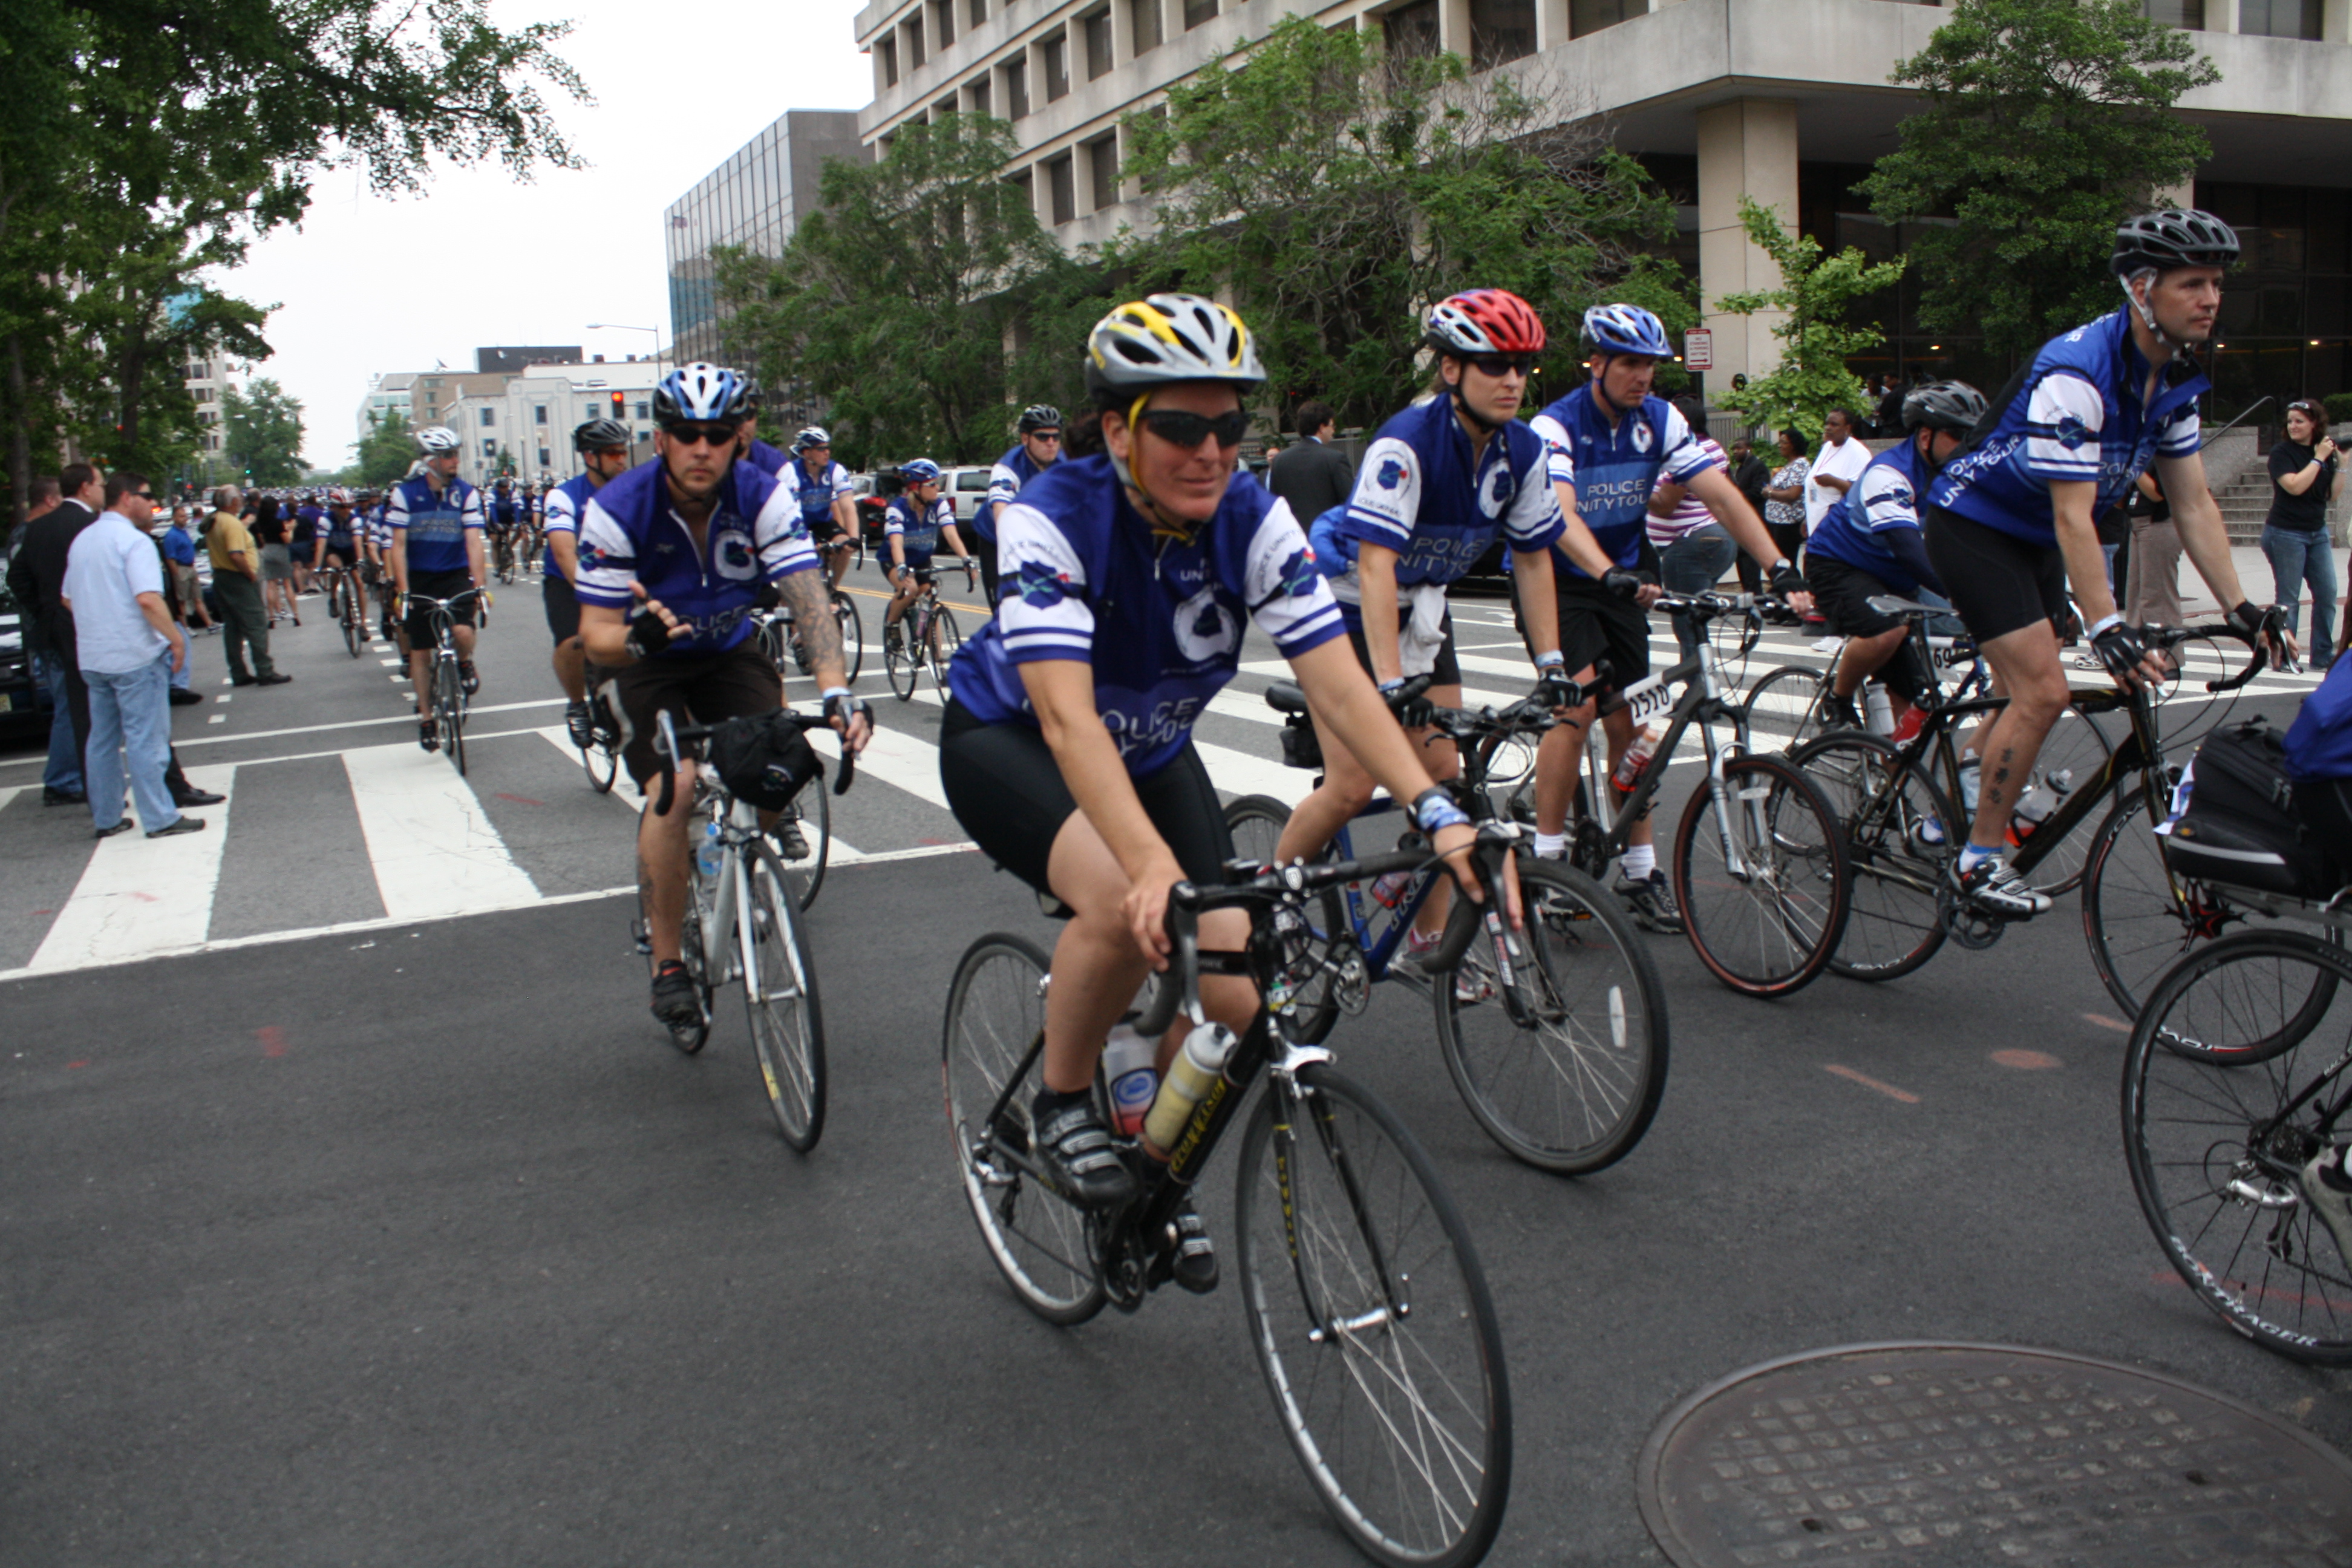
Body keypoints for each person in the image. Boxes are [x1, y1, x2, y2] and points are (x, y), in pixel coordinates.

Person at [937, 294, 1491, 1278]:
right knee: (1121, 902)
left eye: (1228, 427)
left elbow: (1338, 681)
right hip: (1010, 742)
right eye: (1180, 427)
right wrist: (1148, 865)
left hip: (1149, 752)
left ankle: (1152, 1169)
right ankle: (1062, 1097)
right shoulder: (1048, 518)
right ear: (1117, 429)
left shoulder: (1249, 512)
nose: (1209, 451)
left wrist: (1437, 808)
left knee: (1239, 990)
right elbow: (1066, 722)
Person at [1923, 207, 2290, 918]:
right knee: (2043, 691)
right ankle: (1976, 861)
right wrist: (2108, 625)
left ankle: (1950, 814)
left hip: (2035, 534)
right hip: (1976, 524)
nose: (2211, 299)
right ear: (2142, 289)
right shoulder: (2079, 370)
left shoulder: (2176, 379)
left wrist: (2245, 608)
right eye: (2193, 284)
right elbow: (2073, 514)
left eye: (2216, 284)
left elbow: (2193, 505)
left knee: (2022, 689)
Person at [1275, 288, 1567, 984]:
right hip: (1348, 605)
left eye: (1522, 367)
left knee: (1449, 784)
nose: (1512, 380)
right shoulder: (1404, 443)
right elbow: (1375, 567)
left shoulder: (1522, 450)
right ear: (1449, 370)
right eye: (1494, 364)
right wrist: (1386, 684)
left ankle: (1429, 941)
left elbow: (1532, 558)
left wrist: (1553, 662)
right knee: (1350, 785)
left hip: (1426, 607)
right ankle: (1276, 891)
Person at [573, 363, 871, 1028]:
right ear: (662, 440)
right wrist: (639, 636)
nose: (701, 447)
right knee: (675, 788)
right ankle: (669, 962)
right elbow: (593, 636)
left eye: (716, 433)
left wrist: (834, 689)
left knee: (777, 765)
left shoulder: (763, 496)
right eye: (685, 433)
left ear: (737, 439)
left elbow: (807, 599)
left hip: (727, 649)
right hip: (645, 659)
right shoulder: (618, 508)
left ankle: (721, 862)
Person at [1524, 302, 1805, 929]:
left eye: (1651, 364)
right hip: (1564, 581)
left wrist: (1778, 565)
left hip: (1623, 582)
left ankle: (1639, 871)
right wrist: (1605, 572)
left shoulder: (1662, 419)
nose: (1642, 376)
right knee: (1578, 708)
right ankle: (1549, 866)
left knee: (1630, 719)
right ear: (1594, 364)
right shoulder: (1556, 425)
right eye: (1628, 363)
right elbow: (1562, 516)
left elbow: (1720, 496)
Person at [1803, 381, 1987, 733]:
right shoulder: (1889, 473)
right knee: (1888, 631)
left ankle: (1891, 778)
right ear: (1925, 436)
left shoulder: (1959, 473)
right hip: (1840, 564)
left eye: (1971, 437)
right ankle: (1837, 701)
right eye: (1957, 435)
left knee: (1909, 713)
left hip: (1896, 574)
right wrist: (1964, 593)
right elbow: (1907, 548)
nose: (1967, 447)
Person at [59, 472, 201, 839]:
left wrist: (100, 618)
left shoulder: (83, 540)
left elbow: (68, 597)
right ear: (126, 498)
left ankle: (107, 816)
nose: (153, 504)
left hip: (94, 654)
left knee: (101, 740)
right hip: (135, 653)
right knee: (146, 738)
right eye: (147, 495)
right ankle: (159, 817)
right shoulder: (134, 542)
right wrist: (176, 640)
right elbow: (148, 599)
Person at [387, 426, 487, 748]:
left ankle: (464, 661)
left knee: (463, 632)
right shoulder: (405, 495)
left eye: (456, 453)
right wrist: (403, 592)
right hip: (419, 577)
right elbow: (398, 546)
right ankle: (427, 719)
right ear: (430, 461)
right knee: (420, 651)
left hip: (454, 573)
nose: (454, 461)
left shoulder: (466, 494)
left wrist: (480, 587)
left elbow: (473, 542)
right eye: (447, 455)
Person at [543, 417, 634, 745]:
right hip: (570, 582)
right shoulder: (563, 496)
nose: (621, 459)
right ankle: (577, 704)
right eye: (612, 453)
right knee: (572, 642)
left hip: (621, 578)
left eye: (623, 452)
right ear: (590, 457)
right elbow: (565, 552)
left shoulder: (634, 492)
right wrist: (592, 596)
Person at [7, 474, 86, 804]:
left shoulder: (21, 535)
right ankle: (62, 779)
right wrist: (48, 611)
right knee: (69, 706)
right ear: (52, 501)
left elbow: (16, 578)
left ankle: (66, 776)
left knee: (69, 705)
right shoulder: (32, 533)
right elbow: (20, 580)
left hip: (41, 629)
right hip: (49, 631)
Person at [1644, 429, 1741, 655]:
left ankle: (1698, 683)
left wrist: (1633, 486)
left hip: (1690, 541)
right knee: (1696, 618)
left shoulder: (1686, 455)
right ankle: (1699, 679)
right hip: (1715, 537)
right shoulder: (1713, 447)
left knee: (1687, 622)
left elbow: (1665, 505)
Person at [2264, 397, 2344, 671]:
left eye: (2300, 421)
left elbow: (2332, 494)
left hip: (2316, 531)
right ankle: (2287, 655)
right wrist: (2319, 458)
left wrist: (2341, 463)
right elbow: (2295, 486)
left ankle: (2322, 654)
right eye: (2290, 421)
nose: (2293, 426)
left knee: (2327, 593)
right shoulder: (2281, 453)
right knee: (2289, 600)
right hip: (2285, 532)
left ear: (2314, 423)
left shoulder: (2321, 451)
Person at [880, 459, 971, 655]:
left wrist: (966, 559)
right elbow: (896, 543)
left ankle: (938, 663)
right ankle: (892, 624)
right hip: (895, 559)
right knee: (910, 588)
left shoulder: (939, 505)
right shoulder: (897, 508)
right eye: (932, 484)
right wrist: (902, 566)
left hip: (921, 559)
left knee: (930, 602)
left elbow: (951, 534)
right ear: (915, 487)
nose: (938, 488)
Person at [976, 405, 1062, 607]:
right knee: (1007, 606)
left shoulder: (1063, 464)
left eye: (1056, 437)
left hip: (1038, 536)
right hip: (996, 540)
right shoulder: (1008, 468)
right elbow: (1002, 517)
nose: (1051, 443)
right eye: (1042, 437)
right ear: (1025, 439)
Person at [1803, 408, 1872, 650]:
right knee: (1826, 580)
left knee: (1836, 580)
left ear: (1848, 428)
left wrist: (1833, 481)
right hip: (1818, 522)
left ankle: (1840, 633)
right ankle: (1833, 631)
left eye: (1835, 424)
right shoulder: (1828, 447)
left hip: (1838, 527)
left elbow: (1858, 490)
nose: (1828, 428)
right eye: (1827, 423)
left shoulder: (1858, 453)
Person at [205, 486, 287, 687]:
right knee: (256, 622)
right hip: (237, 578)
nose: (242, 501)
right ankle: (265, 670)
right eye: (239, 498)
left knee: (233, 627)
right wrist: (250, 574)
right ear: (233, 502)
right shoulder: (231, 523)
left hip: (222, 576)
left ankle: (238, 672)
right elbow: (235, 553)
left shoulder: (215, 520)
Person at [766, 426, 859, 590]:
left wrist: (854, 538)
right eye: (821, 449)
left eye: (828, 448)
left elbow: (848, 507)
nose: (827, 453)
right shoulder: (790, 472)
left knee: (844, 546)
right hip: (797, 524)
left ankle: (832, 589)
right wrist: (804, 542)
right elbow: (787, 511)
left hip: (822, 523)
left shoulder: (835, 470)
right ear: (807, 453)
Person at [1265, 399, 1356, 524]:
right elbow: (1349, 502)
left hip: (1292, 537)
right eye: (1332, 426)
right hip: (1324, 536)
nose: (1333, 431)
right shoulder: (1336, 459)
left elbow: (1274, 505)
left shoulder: (1280, 460)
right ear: (1322, 427)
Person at [2125, 470, 2182, 627]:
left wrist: (2134, 468)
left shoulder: (2157, 453)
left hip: (2159, 522)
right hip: (2137, 521)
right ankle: (2138, 648)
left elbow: (2158, 493)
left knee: (2158, 600)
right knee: (2135, 599)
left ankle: (2167, 651)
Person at [1726, 435, 1772, 595]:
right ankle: (1748, 595)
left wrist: (1736, 498)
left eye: (1739, 448)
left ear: (1749, 449)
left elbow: (1758, 491)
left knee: (1751, 562)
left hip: (1754, 519)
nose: (1735, 452)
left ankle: (1756, 596)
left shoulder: (1758, 466)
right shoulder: (1740, 469)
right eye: (1734, 449)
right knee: (1742, 561)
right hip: (1740, 521)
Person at [160, 505, 212, 632]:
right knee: (182, 601)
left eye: (186, 516)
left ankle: (210, 624)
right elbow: (170, 558)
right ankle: (185, 627)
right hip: (181, 569)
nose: (185, 519)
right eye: (181, 516)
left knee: (198, 598)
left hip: (191, 568)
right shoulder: (171, 536)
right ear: (174, 518)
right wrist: (176, 573)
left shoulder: (185, 532)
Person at [251, 494, 297, 624]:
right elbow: (287, 540)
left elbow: (261, 540)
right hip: (280, 551)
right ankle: (295, 615)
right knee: (287, 584)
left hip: (267, 550)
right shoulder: (278, 522)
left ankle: (271, 616)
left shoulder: (258, 523)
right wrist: (291, 530)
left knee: (271, 584)